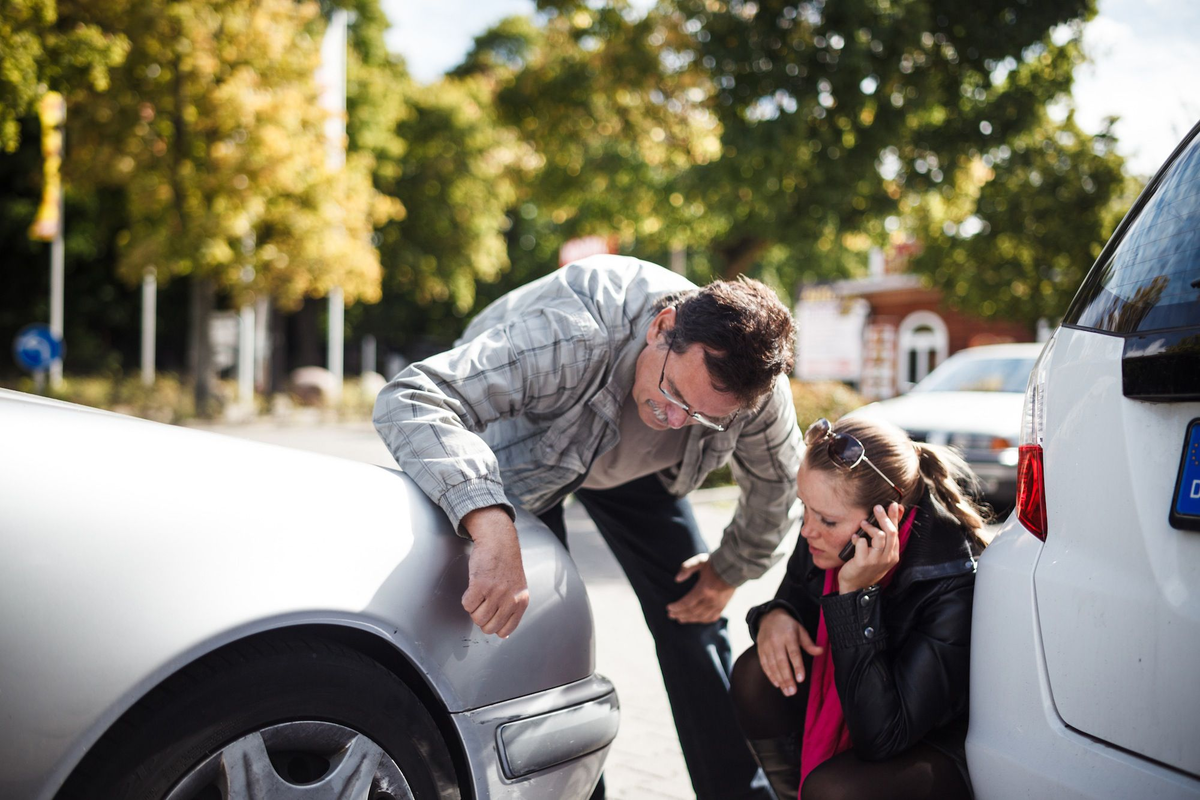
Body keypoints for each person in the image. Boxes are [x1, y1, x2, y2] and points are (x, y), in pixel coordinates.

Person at [373, 254, 802, 799]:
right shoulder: (573, 333)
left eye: (701, 417)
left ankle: (740, 794)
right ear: (661, 328)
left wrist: (729, 570)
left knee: (696, 616)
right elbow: (412, 396)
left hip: (641, 472)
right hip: (530, 453)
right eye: (673, 393)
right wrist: (489, 520)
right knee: (537, 636)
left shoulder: (755, 391)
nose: (674, 419)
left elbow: (777, 486)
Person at [732, 415, 987, 800]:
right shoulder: (830, 536)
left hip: (940, 743)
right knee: (755, 673)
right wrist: (775, 615)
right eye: (805, 508)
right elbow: (795, 595)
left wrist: (855, 595)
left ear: (886, 518)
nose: (807, 531)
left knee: (833, 791)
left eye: (827, 520)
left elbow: (883, 736)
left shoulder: (949, 582)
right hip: (868, 712)